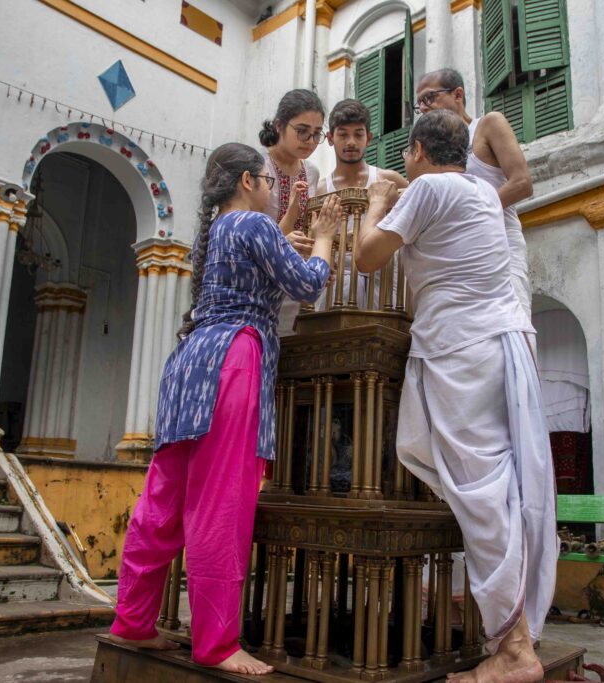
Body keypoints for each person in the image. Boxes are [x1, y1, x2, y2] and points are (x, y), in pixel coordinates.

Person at [108, 143, 342, 676]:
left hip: (190, 364)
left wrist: (289, 222)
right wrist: (326, 237)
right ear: (247, 182)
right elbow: (307, 283)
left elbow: (262, 255)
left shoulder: (214, 232)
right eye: (267, 180)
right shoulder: (253, 225)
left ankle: (133, 621)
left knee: (162, 505)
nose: (270, 189)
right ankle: (216, 644)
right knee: (221, 504)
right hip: (233, 361)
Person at [354, 111, 557, 683]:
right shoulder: (482, 192)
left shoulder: (433, 189)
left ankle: (515, 650)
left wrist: (376, 203)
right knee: (495, 489)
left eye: (407, 155)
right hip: (495, 344)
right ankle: (510, 631)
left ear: (419, 150)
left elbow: (367, 257)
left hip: (460, 350)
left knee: (481, 494)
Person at [415, 68, 534, 323]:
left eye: (429, 98)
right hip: (455, 260)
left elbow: (522, 183)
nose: (423, 108)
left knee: (512, 325)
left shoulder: (488, 125)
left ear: (458, 95)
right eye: (419, 104)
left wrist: (469, 213)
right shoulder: (432, 154)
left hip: (500, 249)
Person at [318, 98, 408, 308]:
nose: (351, 142)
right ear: (330, 138)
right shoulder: (322, 188)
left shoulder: (388, 179)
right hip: (335, 287)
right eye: (343, 134)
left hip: (382, 282)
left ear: (368, 138)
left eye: (358, 134)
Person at [258, 89, 326, 335]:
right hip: (257, 280)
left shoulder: (312, 173)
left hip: (293, 283)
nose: (310, 141)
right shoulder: (257, 166)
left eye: (316, 134)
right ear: (279, 126)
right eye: (302, 131)